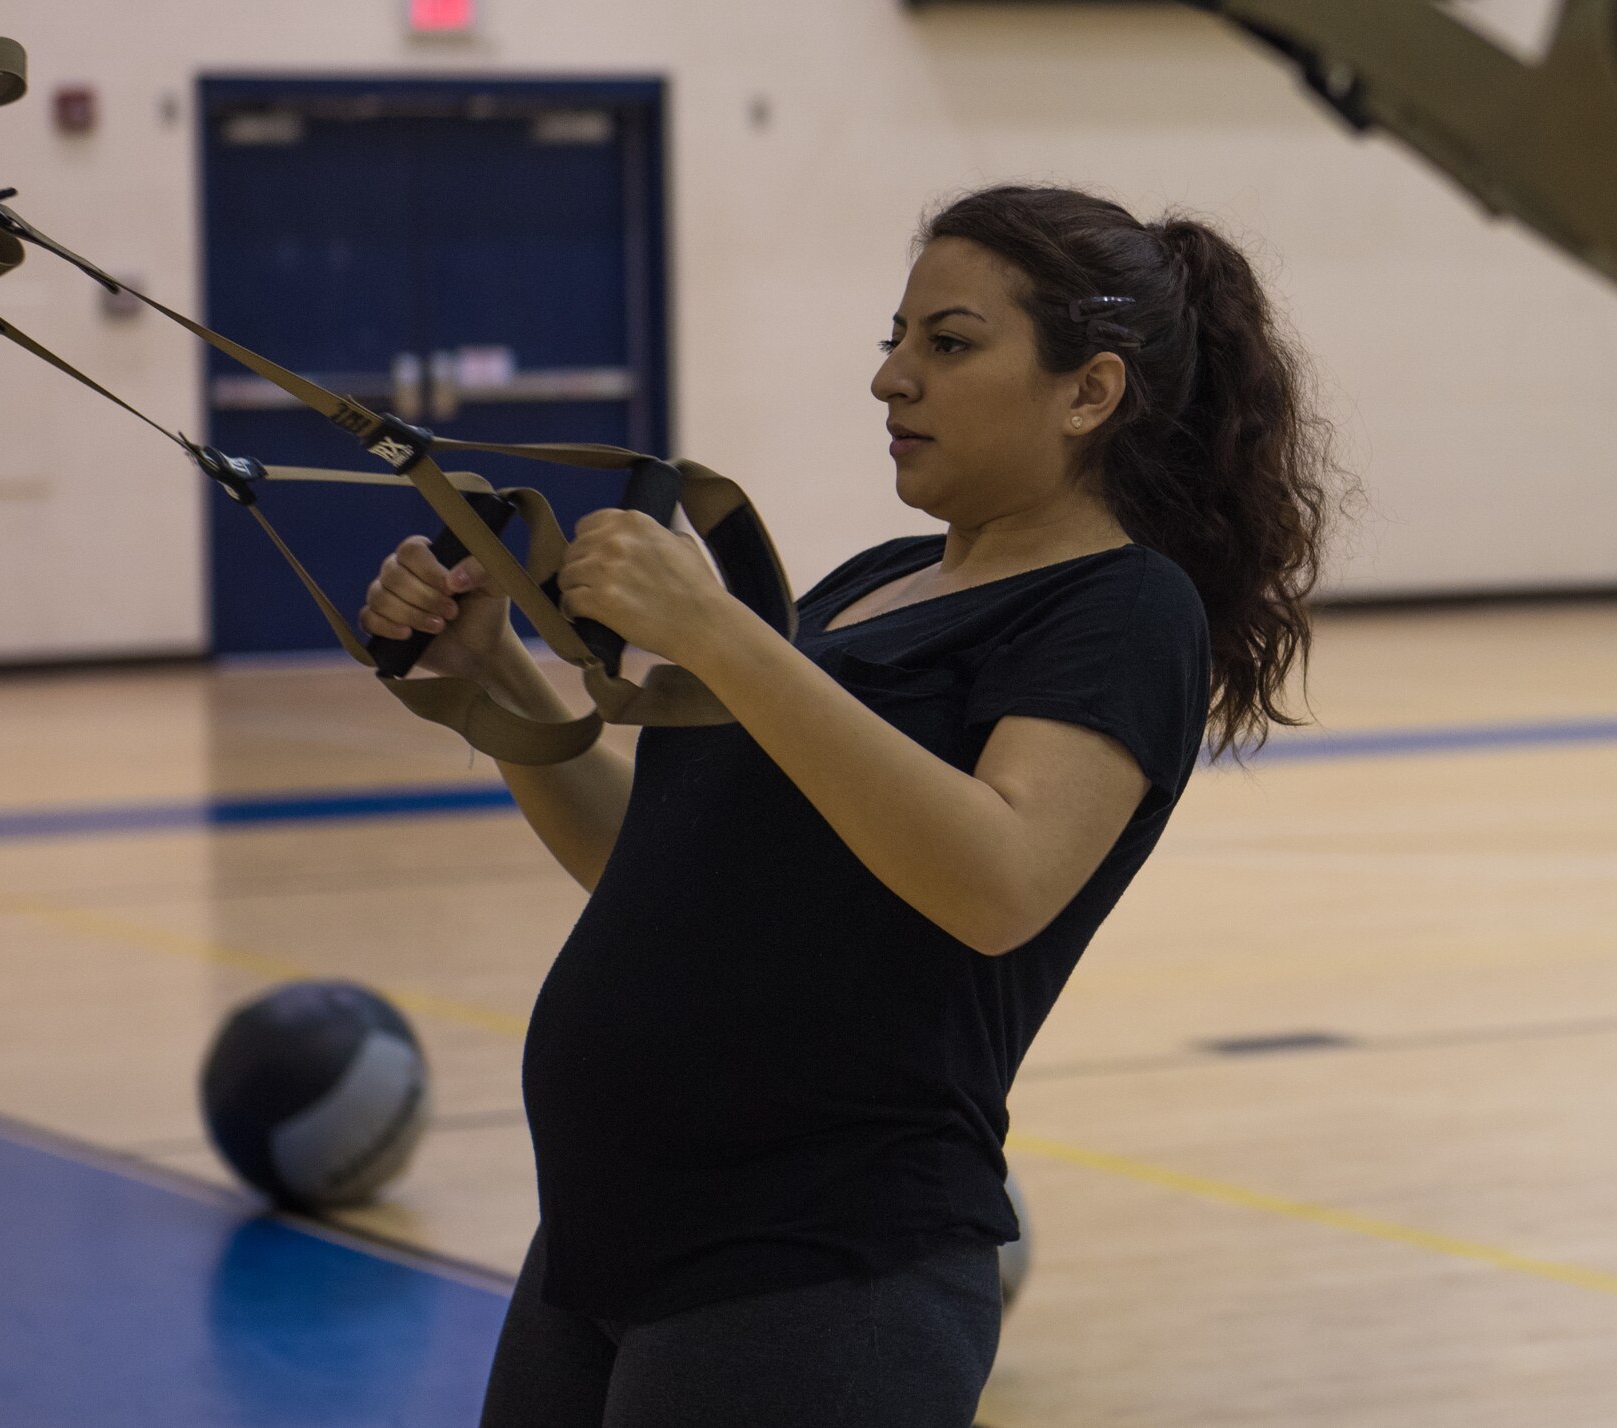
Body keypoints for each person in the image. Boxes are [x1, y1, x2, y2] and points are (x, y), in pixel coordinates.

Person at [363, 184, 1337, 1427]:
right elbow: (654, 871)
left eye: (946, 343)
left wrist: (718, 632)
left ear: (1087, 393)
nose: (889, 379)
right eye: (893, 338)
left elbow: (998, 883)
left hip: (817, 1265)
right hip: (606, 1236)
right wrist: (488, 676)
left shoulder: (1123, 607)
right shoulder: (872, 582)